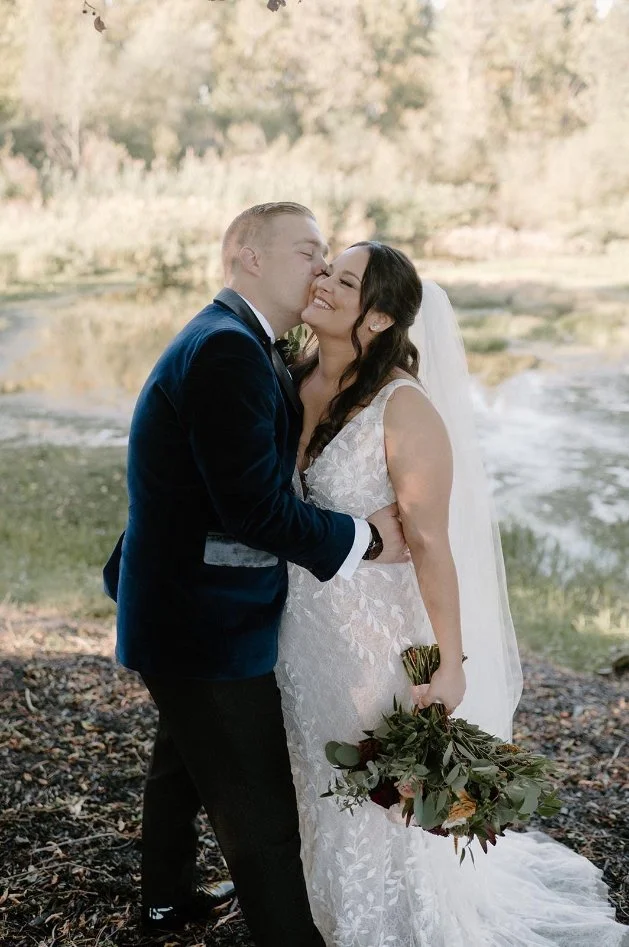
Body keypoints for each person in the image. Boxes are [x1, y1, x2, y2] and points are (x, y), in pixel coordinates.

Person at [276, 241, 628, 947]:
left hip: (374, 631)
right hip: (300, 625)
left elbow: (430, 543)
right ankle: (309, 902)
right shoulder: (291, 372)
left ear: (376, 319)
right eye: (326, 269)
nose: (322, 282)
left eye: (343, 280)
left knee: (374, 782)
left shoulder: (403, 408)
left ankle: (387, 920)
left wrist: (451, 658)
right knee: (310, 767)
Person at [102, 204, 409, 946]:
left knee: (183, 755)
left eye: (327, 254)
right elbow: (252, 511)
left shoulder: (242, 340)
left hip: (183, 604)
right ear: (246, 256)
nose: (320, 266)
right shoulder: (227, 350)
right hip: (203, 617)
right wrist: (366, 539)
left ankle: (167, 899)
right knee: (262, 814)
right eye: (307, 250)